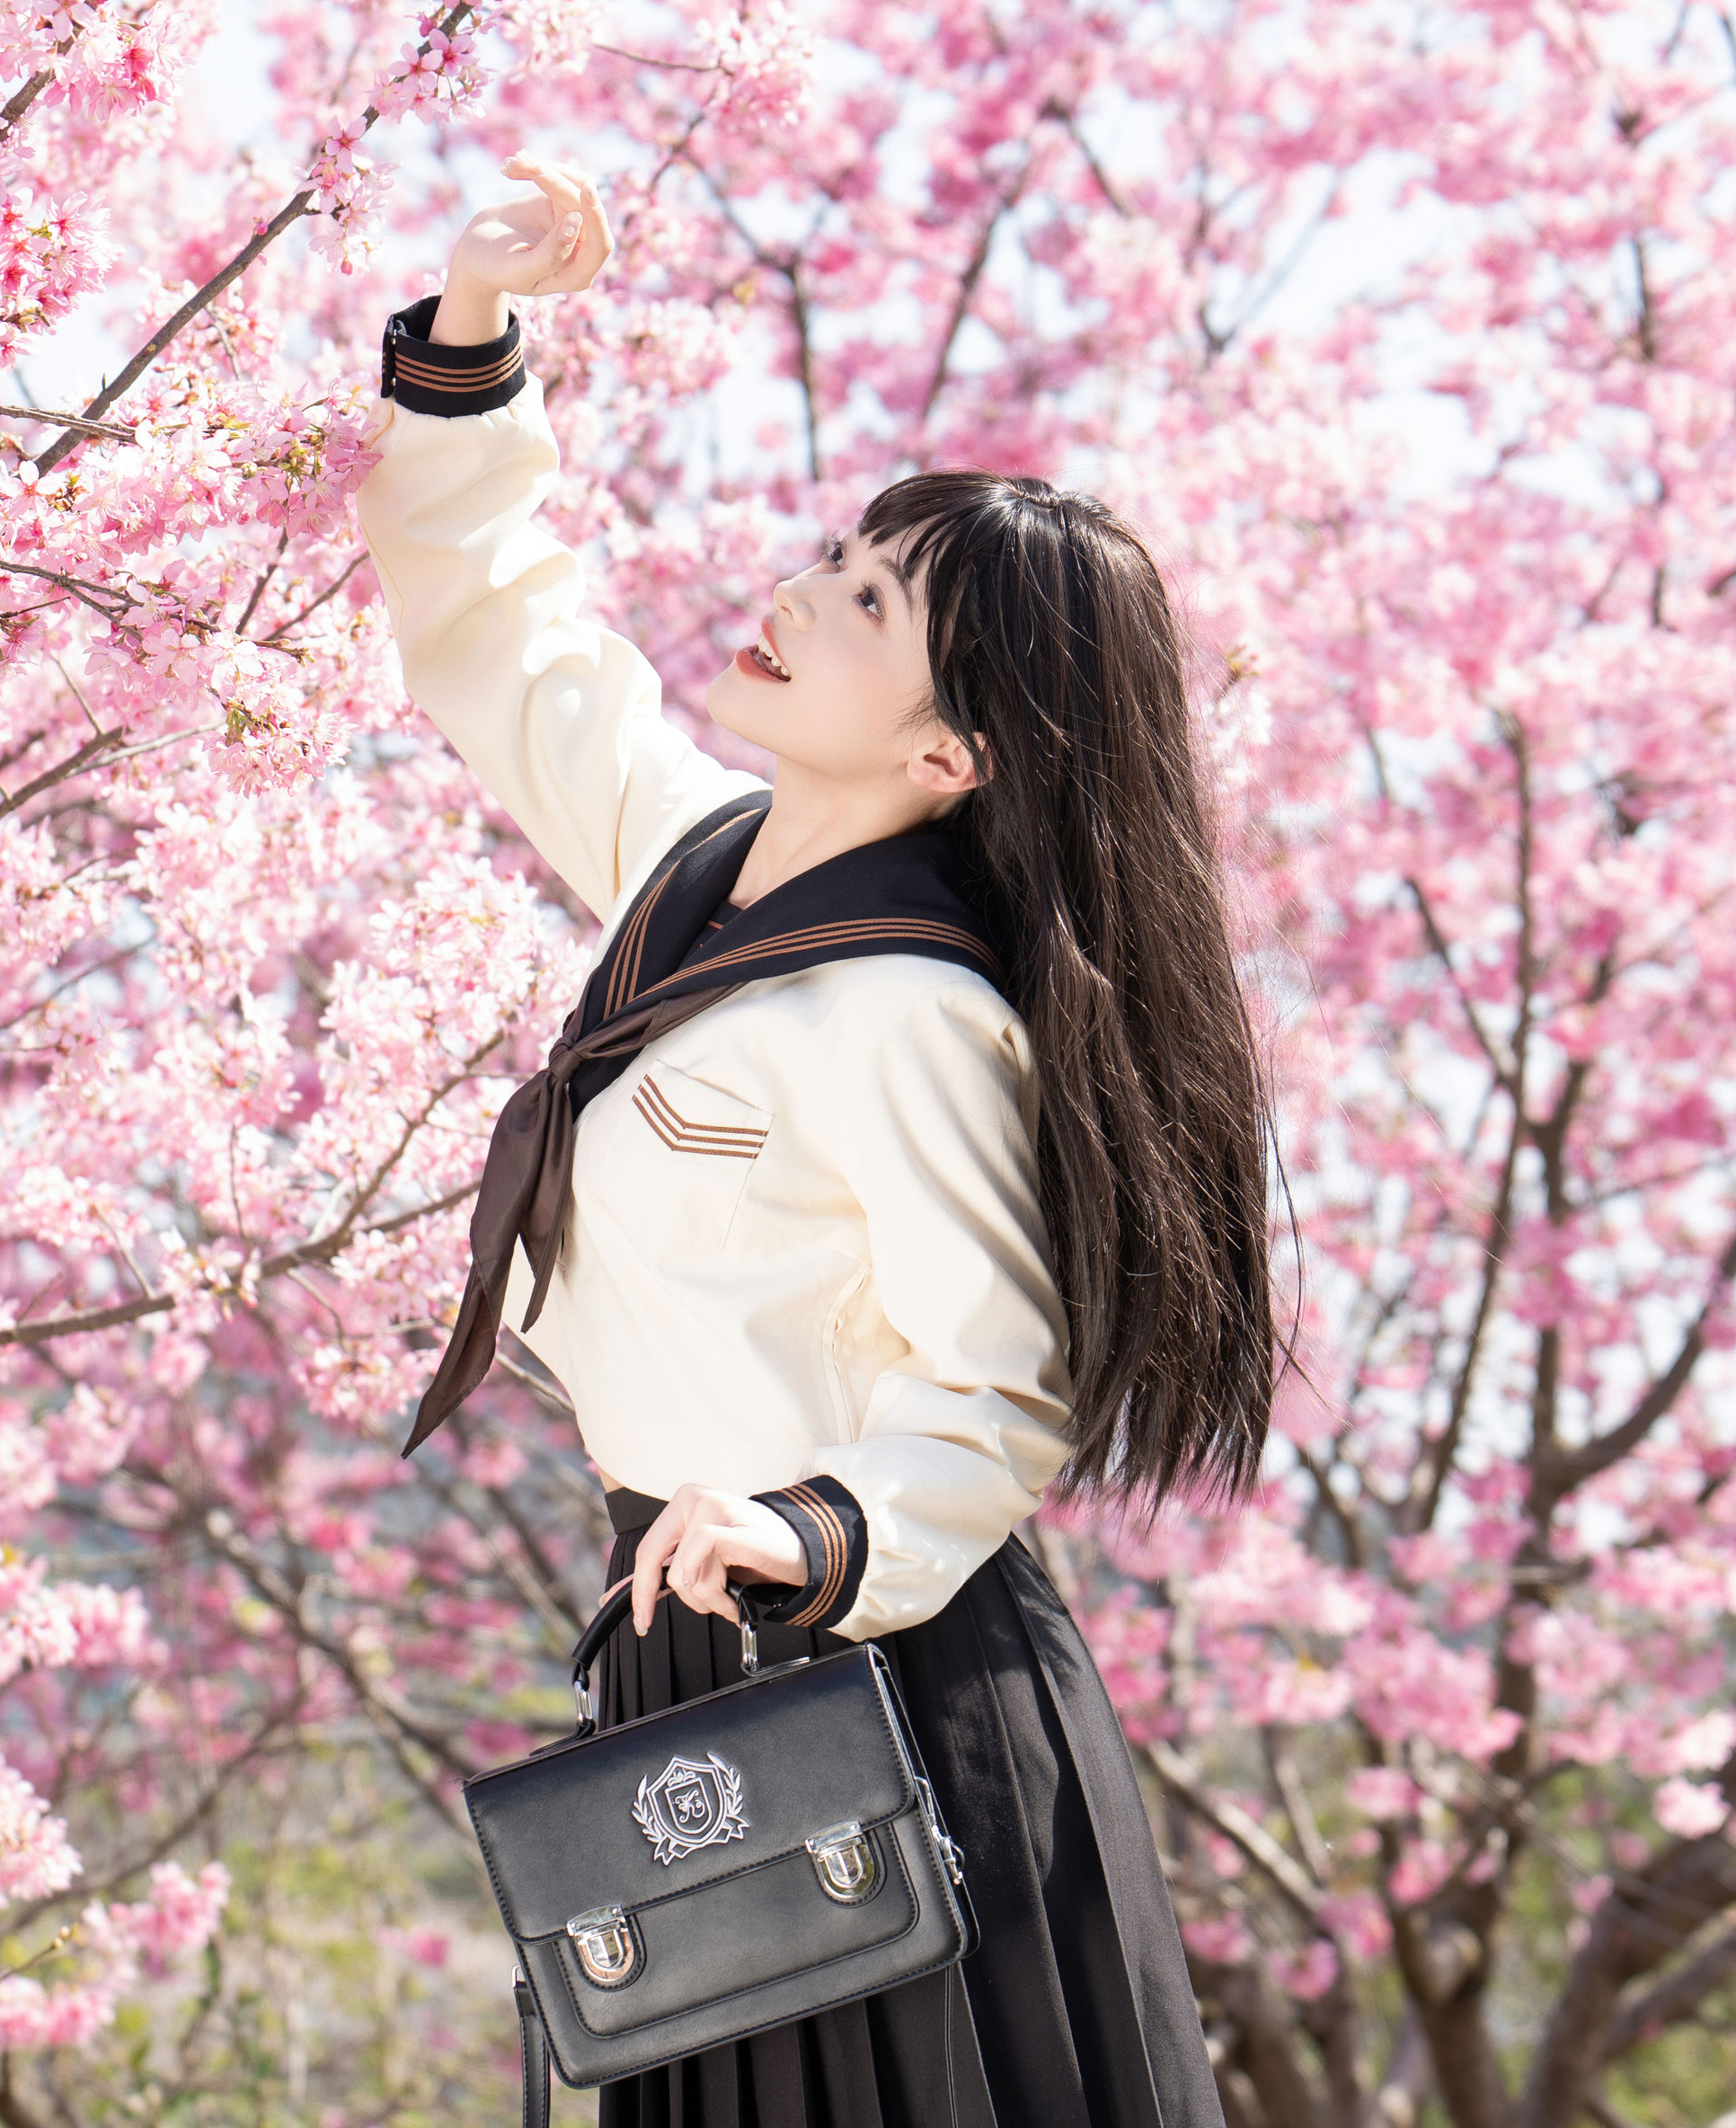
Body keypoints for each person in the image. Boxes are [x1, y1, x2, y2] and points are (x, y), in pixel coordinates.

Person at [359, 154, 1278, 2128]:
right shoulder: (697, 864)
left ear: (954, 759)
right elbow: (498, 645)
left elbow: (999, 1388)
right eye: (842, 560)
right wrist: (469, 338)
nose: (801, 594)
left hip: (890, 1686)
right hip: (697, 1669)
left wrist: (810, 1529)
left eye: (869, 605)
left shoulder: (913, 1014)